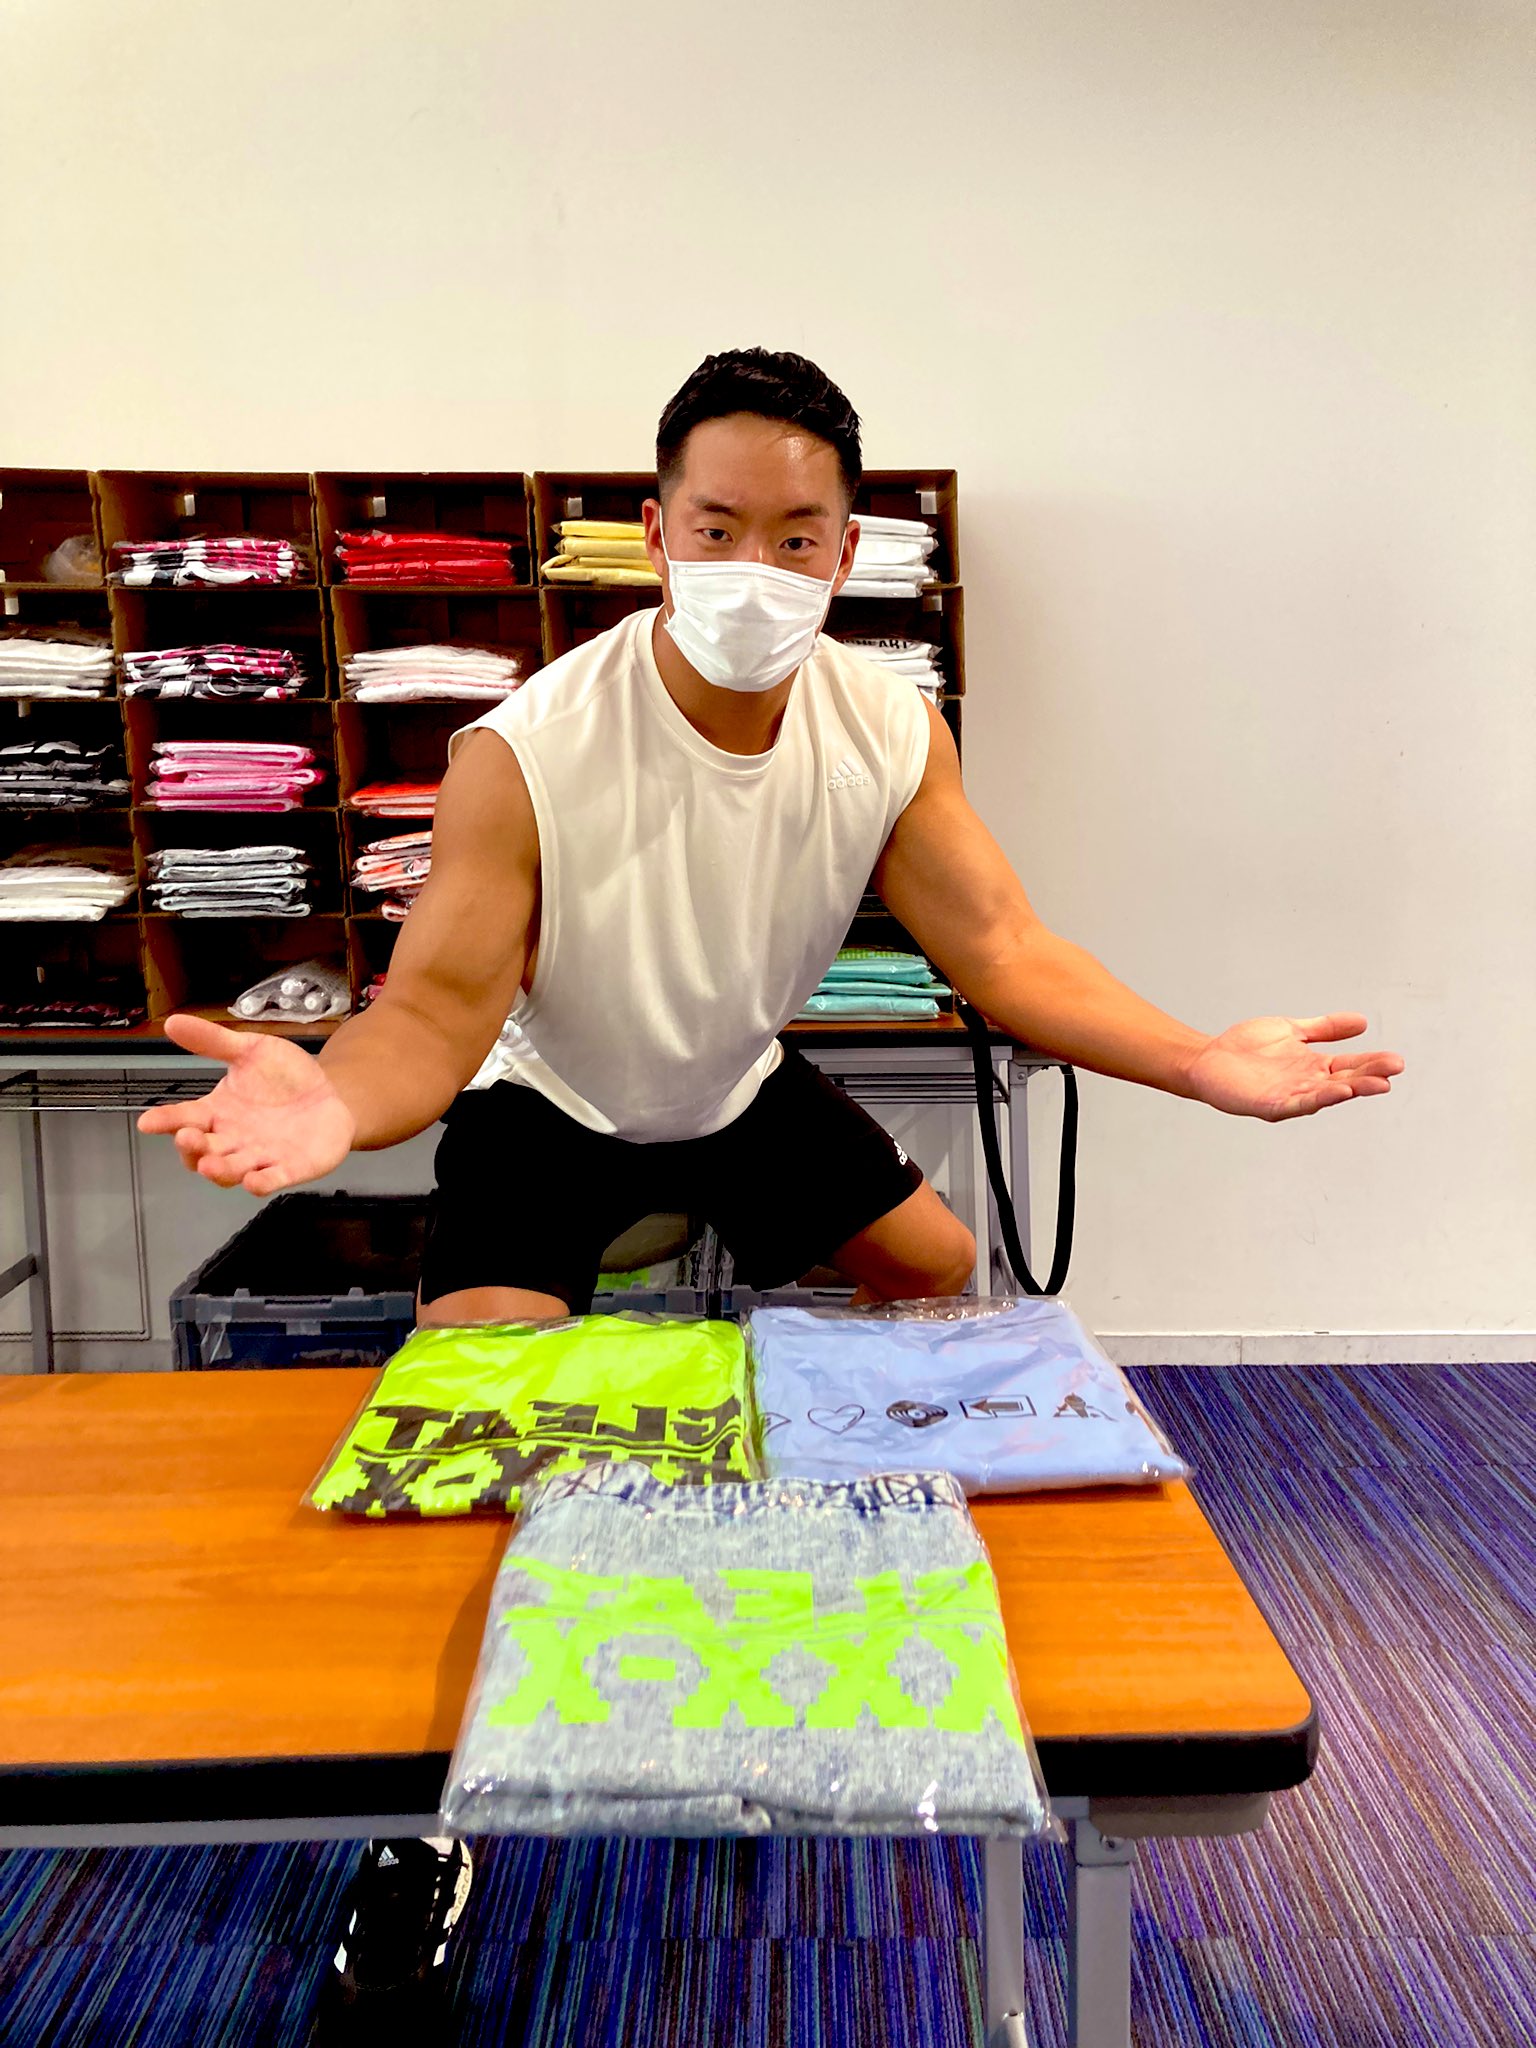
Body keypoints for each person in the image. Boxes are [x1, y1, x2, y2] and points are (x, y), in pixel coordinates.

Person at [138, 347, 1404, 2034]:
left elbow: (1005, 948)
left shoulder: (887, 725)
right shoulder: (530, 747)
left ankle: (877, 1590)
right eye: (719, 526)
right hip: (553, 1100)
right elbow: (436, 1012)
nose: (755, 565)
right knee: (478, 1417)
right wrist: (339, 1097)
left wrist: (1196, 1058)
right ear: (657, 529)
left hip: (734, 1082)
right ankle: (422, 1829)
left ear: (846, 547)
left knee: (942, 1275)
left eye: (795, 535)